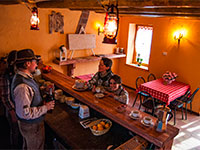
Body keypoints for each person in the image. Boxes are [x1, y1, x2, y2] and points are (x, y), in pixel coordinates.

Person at [11, 49, 55, 150]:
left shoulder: (24, 77)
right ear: (27, 63)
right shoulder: (22, 86)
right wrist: (45, 107)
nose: (37, 65)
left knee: (28, 146)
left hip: (30, 125)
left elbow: (31, 94)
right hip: (31, 126)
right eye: (35, 62)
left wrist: (43, 90)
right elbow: (24, 113)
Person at [0, 51, 22, 149]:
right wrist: (12, 112)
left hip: (19, 108)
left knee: (20, 130)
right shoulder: (5, 76)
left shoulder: (16, 73)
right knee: (14, 130)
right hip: (12, 109)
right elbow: (5, 97)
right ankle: (14, 146)